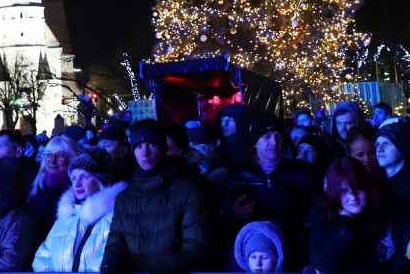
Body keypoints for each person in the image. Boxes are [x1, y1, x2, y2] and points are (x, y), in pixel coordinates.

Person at [101, 119, 210, 274]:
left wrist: (160, 270)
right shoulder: (125, 198)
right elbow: (117, 241)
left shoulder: (187, 190)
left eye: (151, 144)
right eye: (138, 146)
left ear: (162, 147)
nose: (144, 152)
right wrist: (110, 264)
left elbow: (195, 245)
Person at [224, 111, 315, 270]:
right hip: (251, 254)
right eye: (266, 137)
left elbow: (314, 209)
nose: (274, 142)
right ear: (255, 142)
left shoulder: (301, 172)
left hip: (292, 250)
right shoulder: (238, 175)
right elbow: (218, 216)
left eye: (278, 136)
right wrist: (231, 215)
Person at [33, 149, 127, 272]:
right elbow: (42, 259)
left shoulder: (113, 218)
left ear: (100, 181)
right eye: (73, 178)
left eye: (84, 177)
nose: (77, 184)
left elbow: (107, 264)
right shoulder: (64, 219)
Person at [28, 134, 81, 246]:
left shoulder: (79, 191)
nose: (52, 160)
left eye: (60, 155)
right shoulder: (34, 186)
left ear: (72, 158)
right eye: (48, 155)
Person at [373, 121, 410, 211]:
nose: (379, 149)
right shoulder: (373, 180)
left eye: (387, 144)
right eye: (377, 144)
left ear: (403, 147)